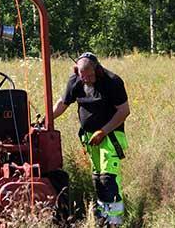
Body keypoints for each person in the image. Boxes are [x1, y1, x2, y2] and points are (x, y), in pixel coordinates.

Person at [52, 52, 130, 227]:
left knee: (108, 179)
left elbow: (124, 111)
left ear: (98, 70)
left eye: (90, 75)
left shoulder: (112, 82)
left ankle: (115, 222)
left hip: (110, 136)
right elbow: (62, 104)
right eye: (82, 75)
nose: (86, 79)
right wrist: (45, 120)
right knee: (97, 178)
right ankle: (103, 217)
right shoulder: (75, 82)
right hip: (89, 137)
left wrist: (103, 131)